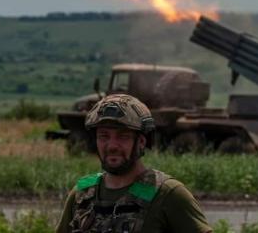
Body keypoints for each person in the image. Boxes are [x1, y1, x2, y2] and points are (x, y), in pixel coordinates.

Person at [55, 94, 213, 233]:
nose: (112, 145)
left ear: (141, 142)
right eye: (104, 136)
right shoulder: (82, 194)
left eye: (122, 136)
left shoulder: (169, 194)